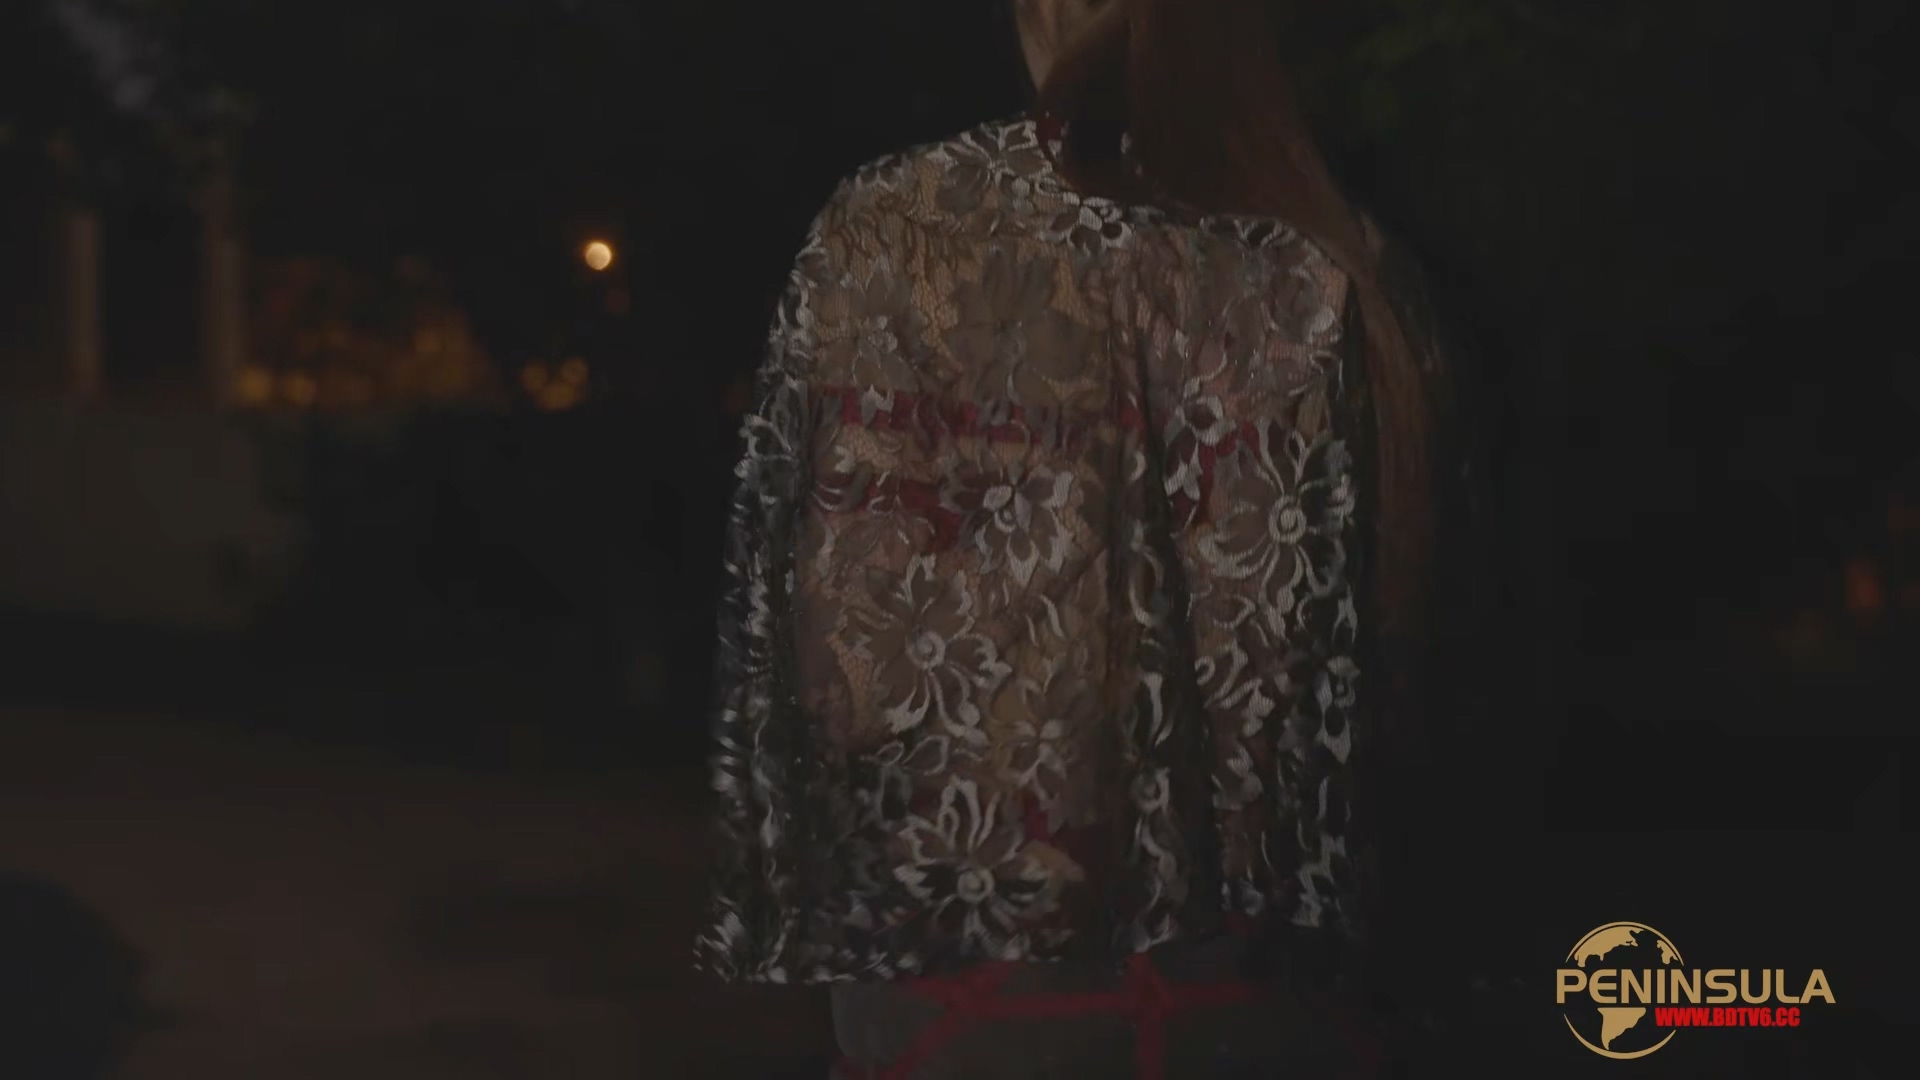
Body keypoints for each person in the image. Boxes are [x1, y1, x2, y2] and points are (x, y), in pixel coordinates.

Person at [697, 0, 1477, 1074]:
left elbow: (847, 695)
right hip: (1280, 1011)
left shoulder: (913, 233)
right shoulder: (1362, 266)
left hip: (990, 1015)